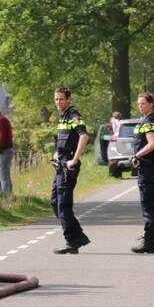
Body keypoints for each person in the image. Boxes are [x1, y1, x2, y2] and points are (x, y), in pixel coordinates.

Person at [51, 87, 91, 254]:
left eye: (61, 99)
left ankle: (72, 241)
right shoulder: (63, 118)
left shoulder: (74, 115)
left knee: (63, 205)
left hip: (68, 167)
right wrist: (55, 156)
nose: (58, 102)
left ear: (68, 99)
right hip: (60, 165)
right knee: (55, 202)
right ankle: (78, 237)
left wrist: (74, 159)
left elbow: (84, 136)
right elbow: (61, 142)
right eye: (56, 99)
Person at [131, 92, 154, 253]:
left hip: (148, 167)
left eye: (143, 103)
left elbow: (152, 144)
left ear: (151, 104)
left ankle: (149, 242)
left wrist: (137, 155)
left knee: (148, 205)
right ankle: (153, 242)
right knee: (150, 204)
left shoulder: (149, 121)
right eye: (139, 104)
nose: (140, 106)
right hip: (147, 166)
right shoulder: (145, 120)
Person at [0, 106, 15, 194]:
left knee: (3, 174)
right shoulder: (3, 119)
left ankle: (6, 195)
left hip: (4, 151)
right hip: (5, 150)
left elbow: (2, 138)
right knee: (0, 174)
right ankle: (3, 194)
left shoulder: (1, 120)